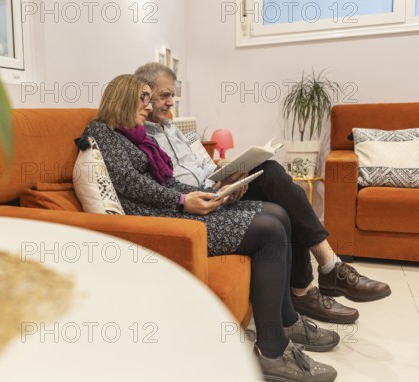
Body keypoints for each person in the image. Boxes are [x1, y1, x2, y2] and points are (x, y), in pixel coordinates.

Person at [79, 73, 338, 382]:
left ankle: (286, 320)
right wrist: (181, 200)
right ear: (122, 98)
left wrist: (210, 195)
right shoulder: (102, 130)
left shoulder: (135, 136)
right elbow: (127, 180)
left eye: (151, 99)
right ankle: (272, 351)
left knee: (279, 214)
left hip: (172, 208)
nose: (148, 107)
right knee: (269, 231)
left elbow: (165, 180)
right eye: (143, 98)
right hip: (160, 221)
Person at [134, 62, 391, 325]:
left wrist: (229, 174)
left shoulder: (176, 130)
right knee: (276, 187)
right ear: (144, 94)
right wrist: (210, 188)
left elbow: (205, 165)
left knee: (272, 171)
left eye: (172, 96)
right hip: (199, 201)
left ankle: (318, 278)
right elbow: (165, 186)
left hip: (216, 187)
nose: (170, 103)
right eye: (164, 96)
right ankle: (321, 276)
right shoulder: (138, 137)